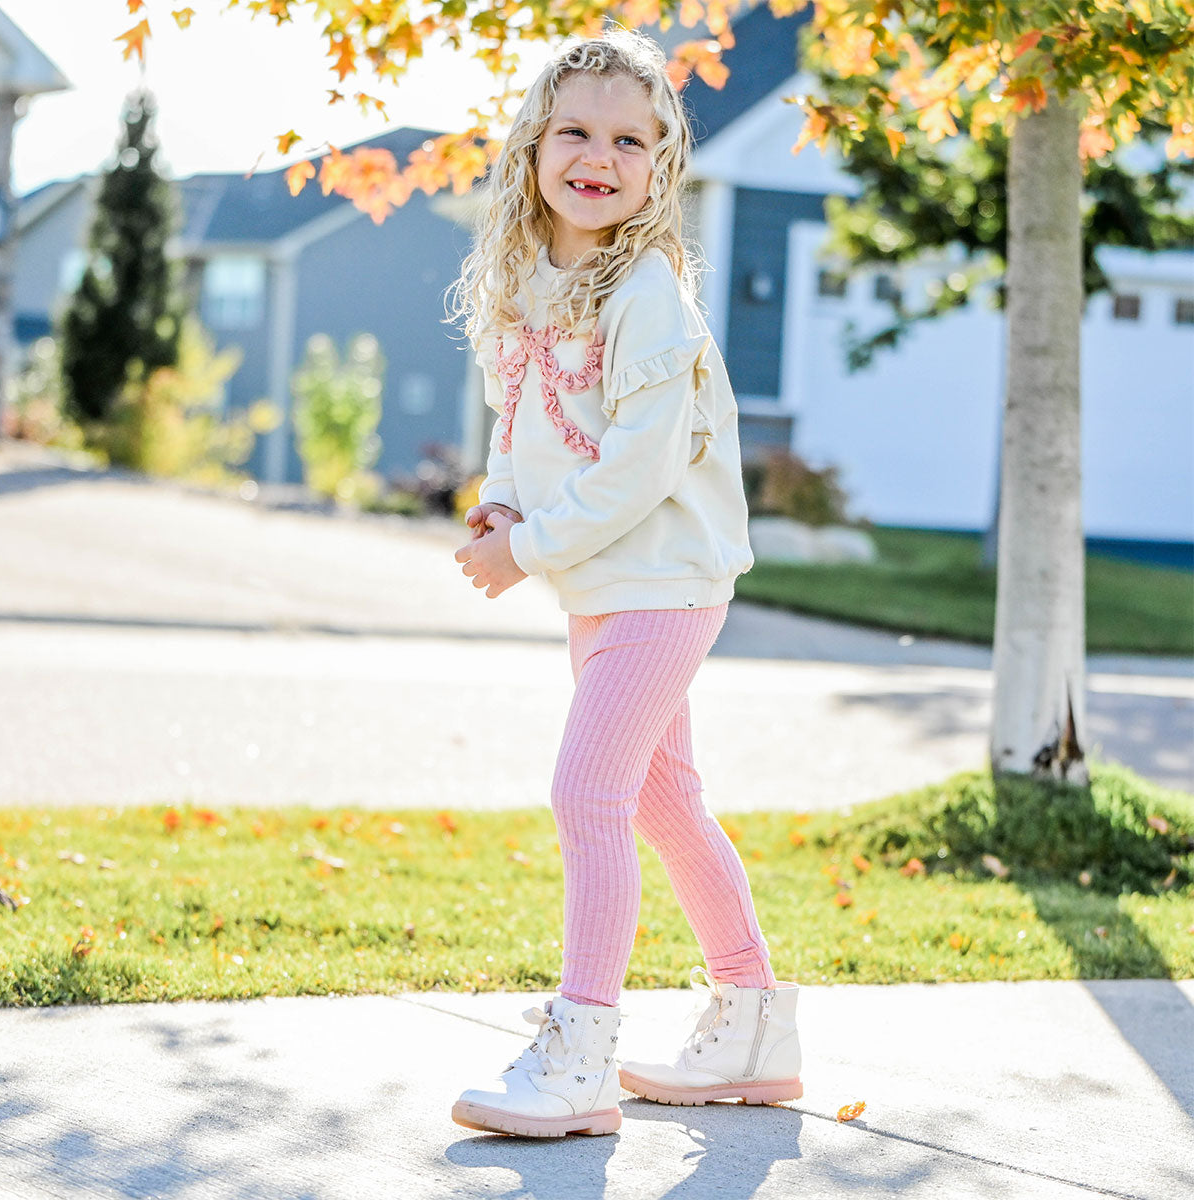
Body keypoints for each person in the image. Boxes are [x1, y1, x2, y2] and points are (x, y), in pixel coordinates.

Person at [448, 28, 802, 1140]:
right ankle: (753, 1025)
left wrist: (527, 550)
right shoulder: (531, 283)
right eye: (575, 132)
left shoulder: (647, 292)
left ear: (661, 164)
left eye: (629, 141)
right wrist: (506, 504)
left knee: (587, 795)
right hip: (606, 584)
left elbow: (640, 468)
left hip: (664, 582)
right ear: (533, 148)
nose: (598, 157)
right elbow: (521, 421)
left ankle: (580, 1056)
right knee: (662, 800)